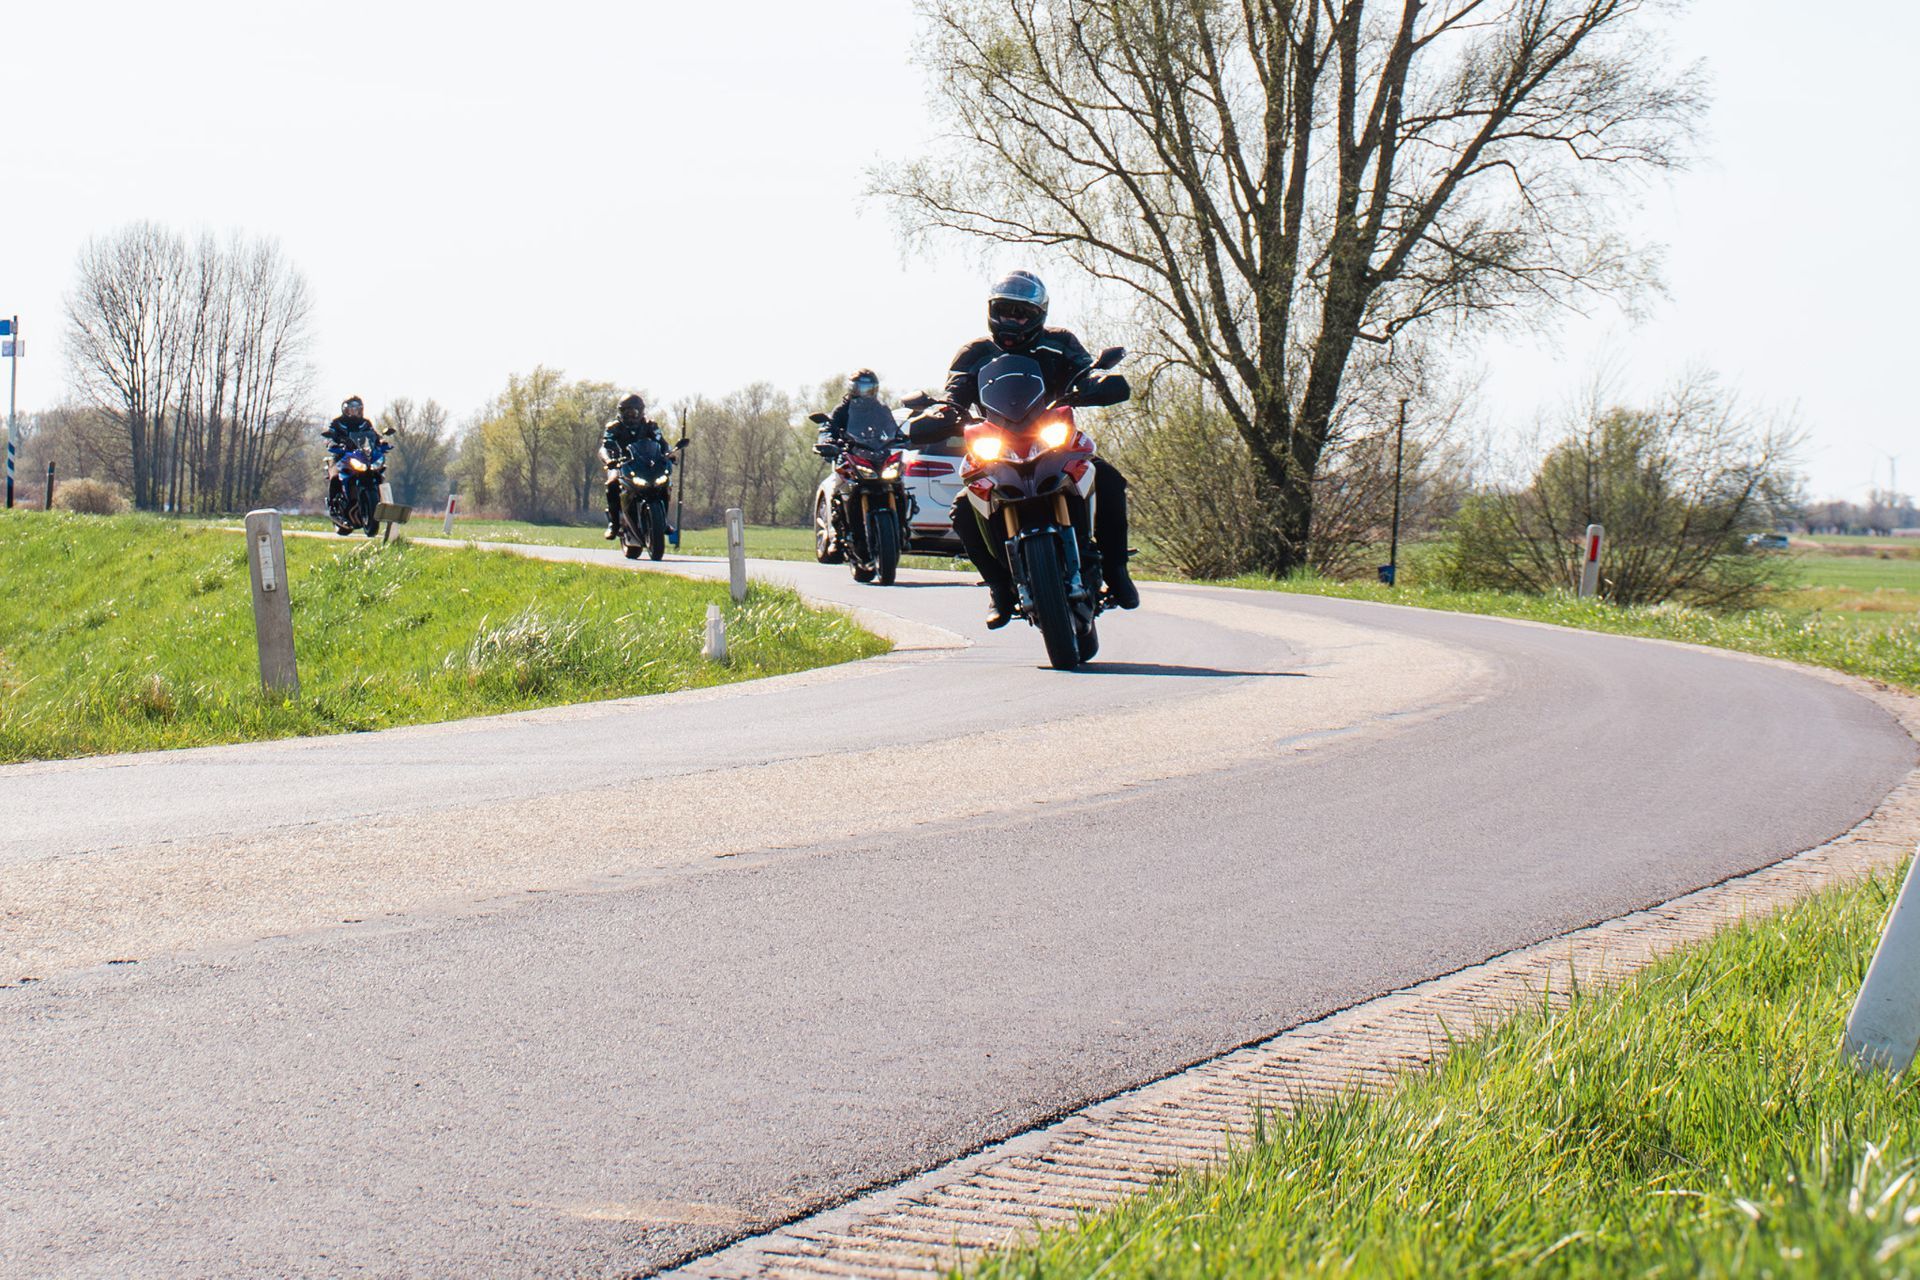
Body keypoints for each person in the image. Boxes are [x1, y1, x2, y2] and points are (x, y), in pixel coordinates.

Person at [910, 271, 1140, 628]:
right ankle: (1000, 589)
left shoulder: (1060, 342)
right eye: (1005, 310)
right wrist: (941, 412)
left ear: (1038, 315)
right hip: (996, 444)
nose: (1012, 320)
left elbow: (1083, 372)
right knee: (962, 510)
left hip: (1052, 436)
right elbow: (953, 394)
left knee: (1108, 479)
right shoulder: (975, 353)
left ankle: (1116, 569)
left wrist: (1097, 381)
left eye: (1022, 313)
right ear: (992, 310)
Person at [601, 393, 668, 538]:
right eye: (627, 412)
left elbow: (662, 443)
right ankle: (614, 524)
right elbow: (604, 447)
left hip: (645, 465)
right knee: (612, 483)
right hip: (622, 465)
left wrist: (669, 454)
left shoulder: (650, 426)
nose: (631, 416)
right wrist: (608, 460)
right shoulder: (614, 427)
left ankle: (663, 520)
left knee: (664, 483)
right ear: (621, 412)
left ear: (641, 411)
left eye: (634, 412)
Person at [322, 396, 379, 518]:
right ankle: (333, 506)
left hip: (361, 455)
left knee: (378, 471)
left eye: (357, 409)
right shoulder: (337, 423)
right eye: (351, 409)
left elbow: (374, 435)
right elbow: (329, 436)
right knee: (335, 477)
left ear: (361, 409)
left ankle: (380, 502)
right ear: (345, 409)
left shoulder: (365, 423)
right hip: (340, 455)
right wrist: (332, 443)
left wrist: (381, 442)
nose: (354, 412)